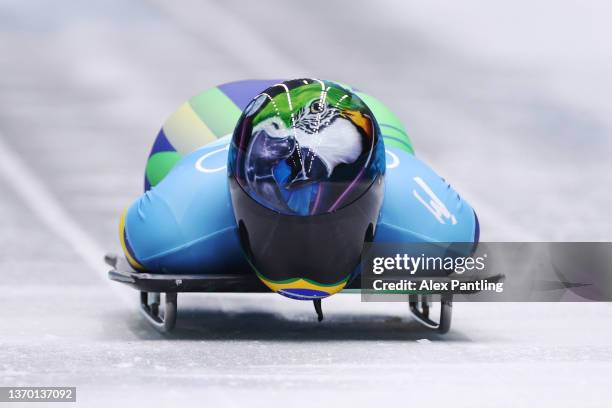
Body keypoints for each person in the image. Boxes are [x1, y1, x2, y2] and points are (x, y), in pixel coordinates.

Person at [119, 79, 479, 301]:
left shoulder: (170, 234)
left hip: (350, 120)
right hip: (213, 125)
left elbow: (134, 234)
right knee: (171, 157)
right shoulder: (443, 236)